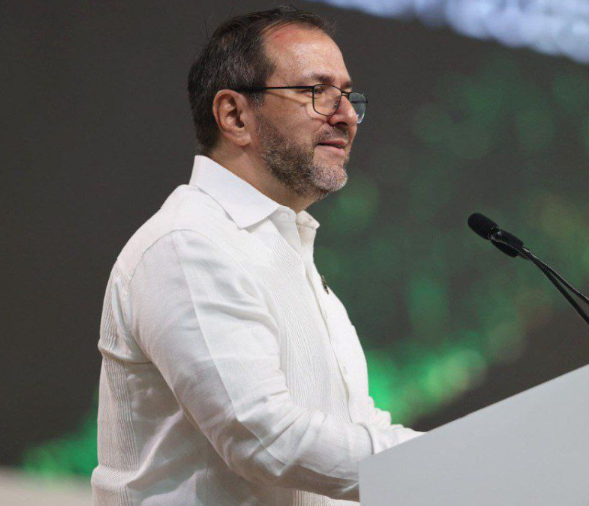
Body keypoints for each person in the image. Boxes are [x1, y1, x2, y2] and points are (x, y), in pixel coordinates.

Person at [92, 6, 422, 505]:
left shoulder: (287, 253)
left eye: (349, 96)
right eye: (317, 93)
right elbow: (263, 437)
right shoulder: (188, 244)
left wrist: (463, 460)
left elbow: (354, 426)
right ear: (234, 115)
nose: (348, 115)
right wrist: (449, 465)